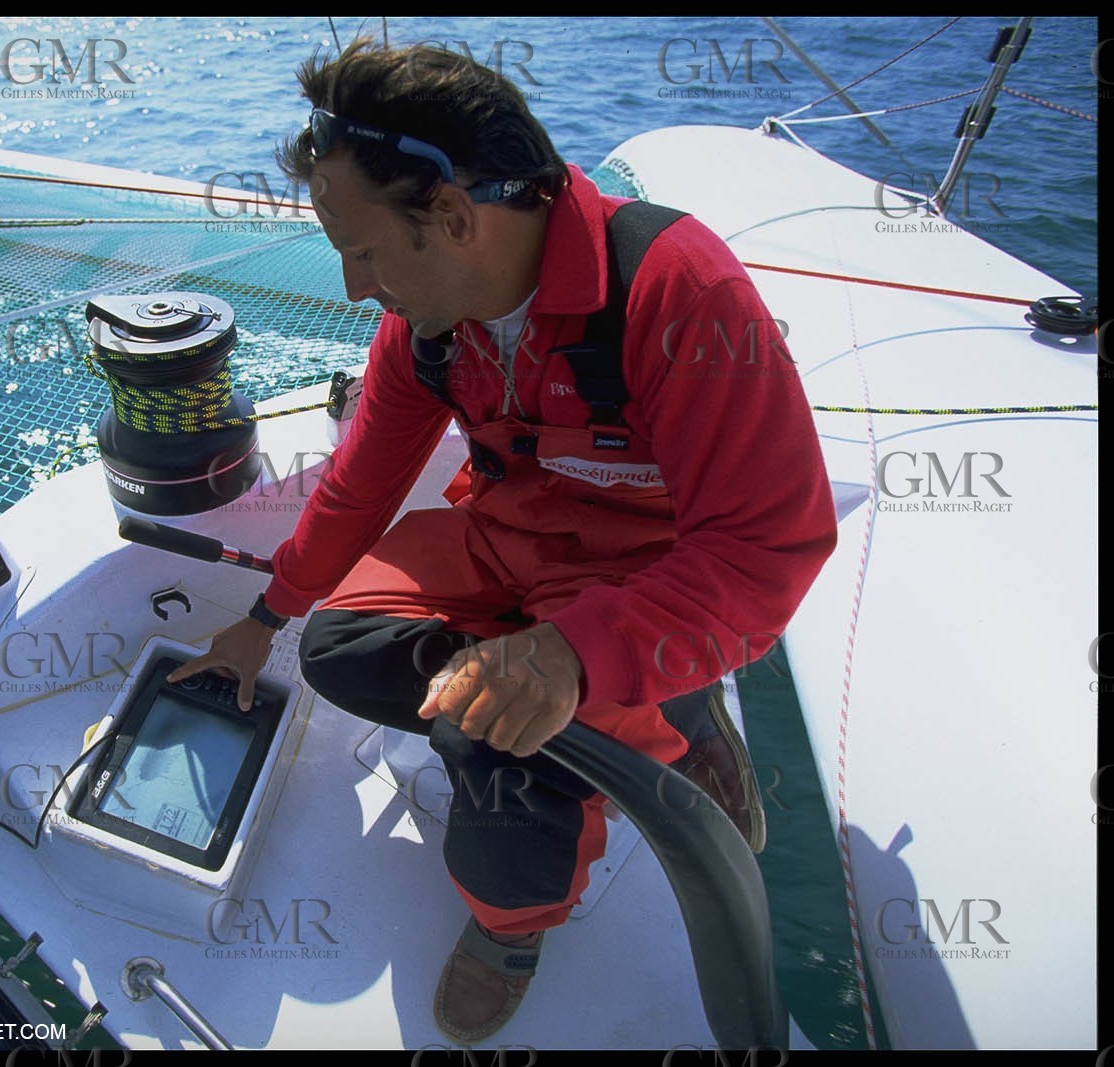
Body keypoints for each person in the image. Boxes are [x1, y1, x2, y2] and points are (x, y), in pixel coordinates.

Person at [168, 39, 837, 1043]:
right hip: (507, 549)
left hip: (644, 588)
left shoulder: (676, 290)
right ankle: (617, 726)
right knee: (340, 648)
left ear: (450, 216)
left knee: (481, 736)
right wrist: (266, 616)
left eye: (361, 250)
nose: (355, 288)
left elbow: (762, 551)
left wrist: (569, 656)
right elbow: (360, 483)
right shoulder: (427, 324)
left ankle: (515, 918)